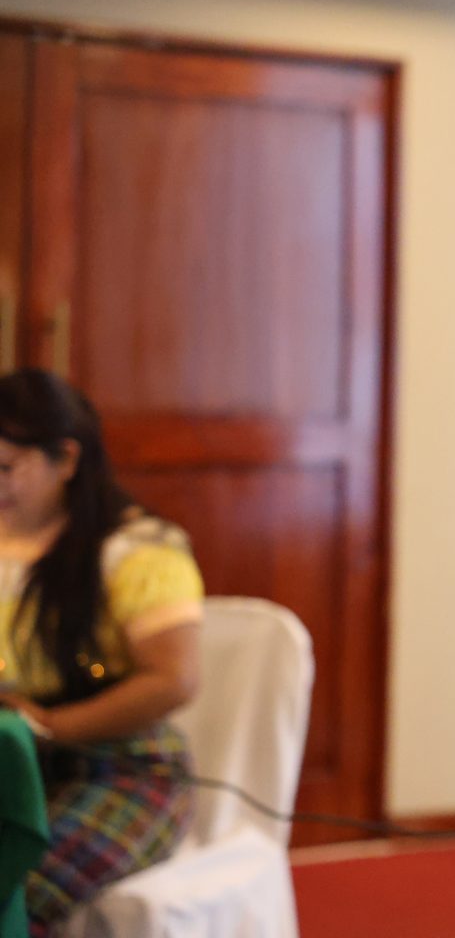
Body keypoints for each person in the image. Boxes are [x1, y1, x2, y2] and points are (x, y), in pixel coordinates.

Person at [0, 370, 203, 936]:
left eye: (6, 468)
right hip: (15, 759)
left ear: (66, 458)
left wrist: (52, 727)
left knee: (16, 880)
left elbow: (174, 679)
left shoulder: (135, 549)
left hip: (120, 770)